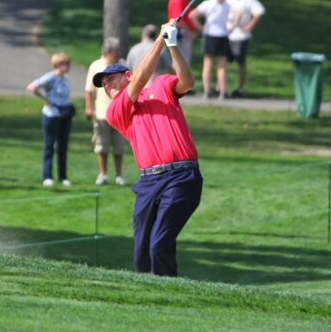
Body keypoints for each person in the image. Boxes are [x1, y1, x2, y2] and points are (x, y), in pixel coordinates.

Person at [92, 21, 202, 277]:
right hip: (149, 183)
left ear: (127, 76)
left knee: (158, 245)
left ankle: (168, 291)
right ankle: (145, 292)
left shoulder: (162, 85)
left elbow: (187, 82)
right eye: (104, 84)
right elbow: (141, 78)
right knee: (142, 252)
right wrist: (160, 39)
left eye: (111, 79)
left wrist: (172, 45)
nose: (107, 86)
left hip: (181, 176)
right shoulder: (116, 111)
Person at [84, 38, 127, 186]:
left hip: (120, 114)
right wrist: (89, 108)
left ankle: (119, 175)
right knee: (102, 145)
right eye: (116, 50)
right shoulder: (96, 65)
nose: (118, 53)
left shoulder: (122, 64)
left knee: (119, 146)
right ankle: (103, 174)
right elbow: (89, 90)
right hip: (102, 114)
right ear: (108, 51)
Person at [27, 52, 74, 187]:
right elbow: (32, 87)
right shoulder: (50, 77)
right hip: (51, 115)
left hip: (64, 116)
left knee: (63, 147)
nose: (68, 66)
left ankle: (62, 176)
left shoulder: (65, 79)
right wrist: (46, 99)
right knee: (49, 146)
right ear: (57, 65)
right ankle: (47, 176)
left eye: (68, 63)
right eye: (65, 63)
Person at [189, 0, 231, 100]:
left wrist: (200, 27)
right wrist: (231, 27)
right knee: (222, 66)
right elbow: (236, 14)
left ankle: (207, 91)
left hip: (210, 35)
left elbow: (192, 15)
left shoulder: (207, 3)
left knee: (207, 64)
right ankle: (223, 91)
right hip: (222, 35)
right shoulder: (227, 4)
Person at [226, 0, 266, 98]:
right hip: (228, 35)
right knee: (224, 61)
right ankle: (221, 87)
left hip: (241, 36)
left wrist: (249, 26)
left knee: (240, 62)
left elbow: (260, 12)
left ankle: (240, 88)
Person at [167, 0, 198, 69]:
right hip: (181, 33)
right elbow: (178, 20)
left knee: (180, 61)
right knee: (182, 61)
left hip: (180, 32)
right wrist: (189, 32)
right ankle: (180, 78)